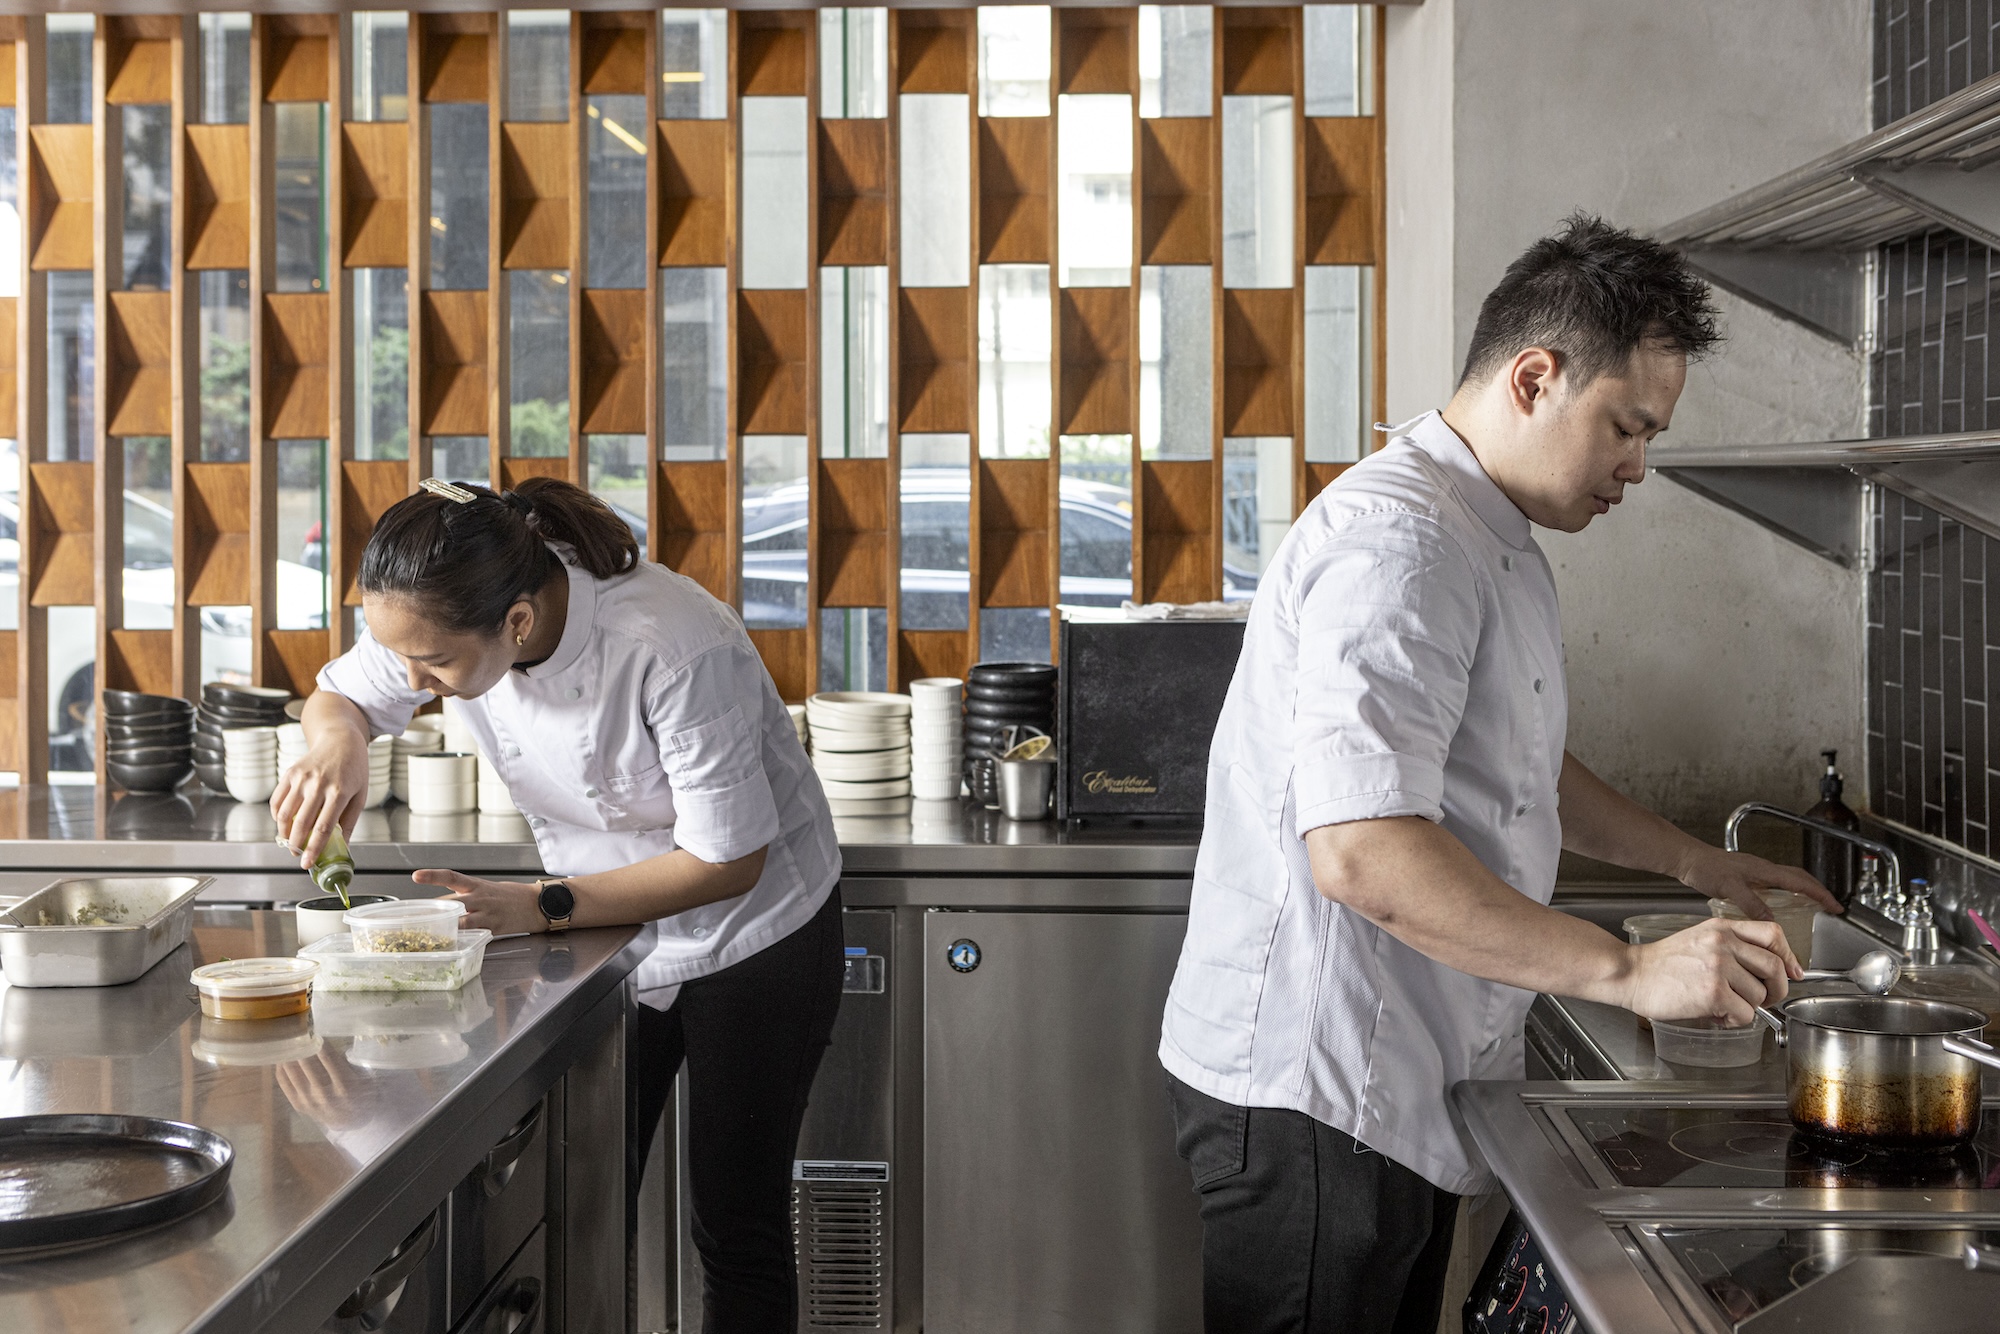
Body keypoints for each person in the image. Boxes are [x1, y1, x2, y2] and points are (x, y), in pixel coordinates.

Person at [1158, 215, 1840, 1334]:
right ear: (1534, 377)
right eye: (1625, 426)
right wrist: (1625, 970)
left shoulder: (1489, 530)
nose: (1637, 464)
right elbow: (1362, 850)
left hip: (1393, 1075)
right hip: (1319, 1093)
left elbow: (1519, 753)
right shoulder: (1402, 545)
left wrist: (1696, 863)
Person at [273, 475, 842, 1330]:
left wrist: (533, 907)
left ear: (518, 624)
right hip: (602, 938)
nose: (418, 684)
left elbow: (730, 860)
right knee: (581, 1206)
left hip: (756, 935)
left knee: (736, 1225)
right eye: (406, 662)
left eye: (434, 665)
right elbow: (340, 694)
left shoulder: (674, 644)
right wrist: (339, 741)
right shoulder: (449, 609)